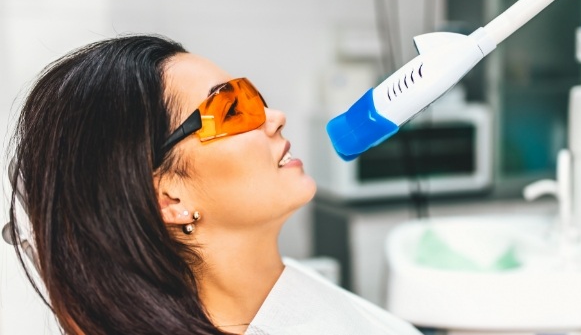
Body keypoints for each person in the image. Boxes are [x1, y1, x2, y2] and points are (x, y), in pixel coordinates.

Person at [7, 35, 423, 335]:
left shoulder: (282, 285)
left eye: (254, 98)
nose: (274, 116)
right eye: (232, 109)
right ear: (170, 197)